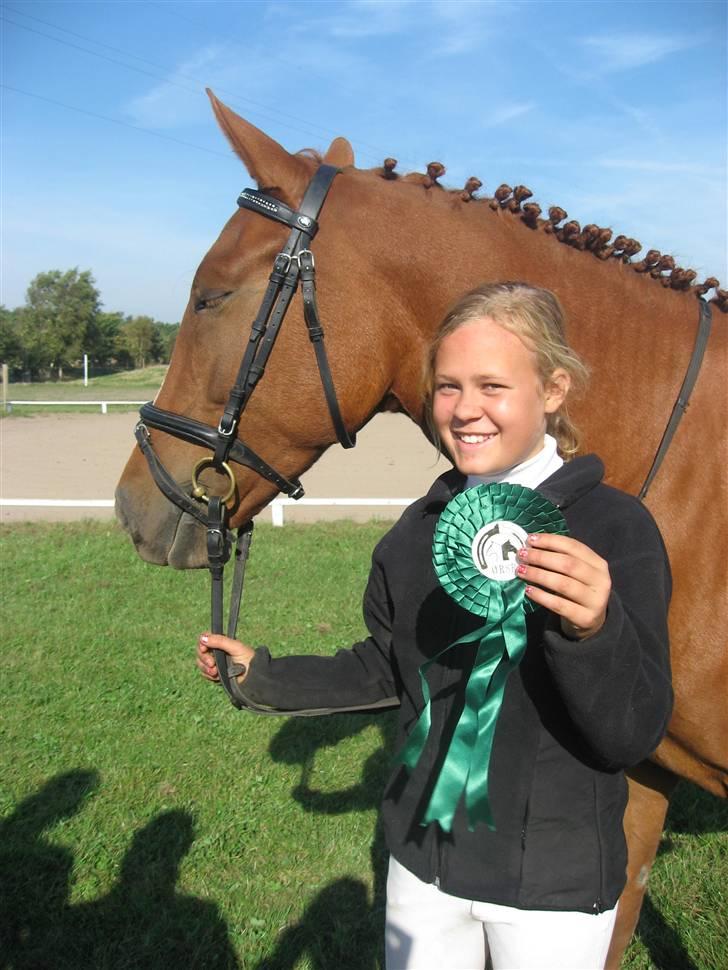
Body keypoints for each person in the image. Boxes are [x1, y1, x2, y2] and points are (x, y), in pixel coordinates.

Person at [197, 281, 673, 970]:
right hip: (423, 867)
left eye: (492, 386)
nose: (465, 410)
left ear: (554, 390)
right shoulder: (418, 532)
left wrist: (594, 631)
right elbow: (387, 666)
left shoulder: (614, 530)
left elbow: (632, 731)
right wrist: (265, 675)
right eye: (448, 387)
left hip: (551, 882)